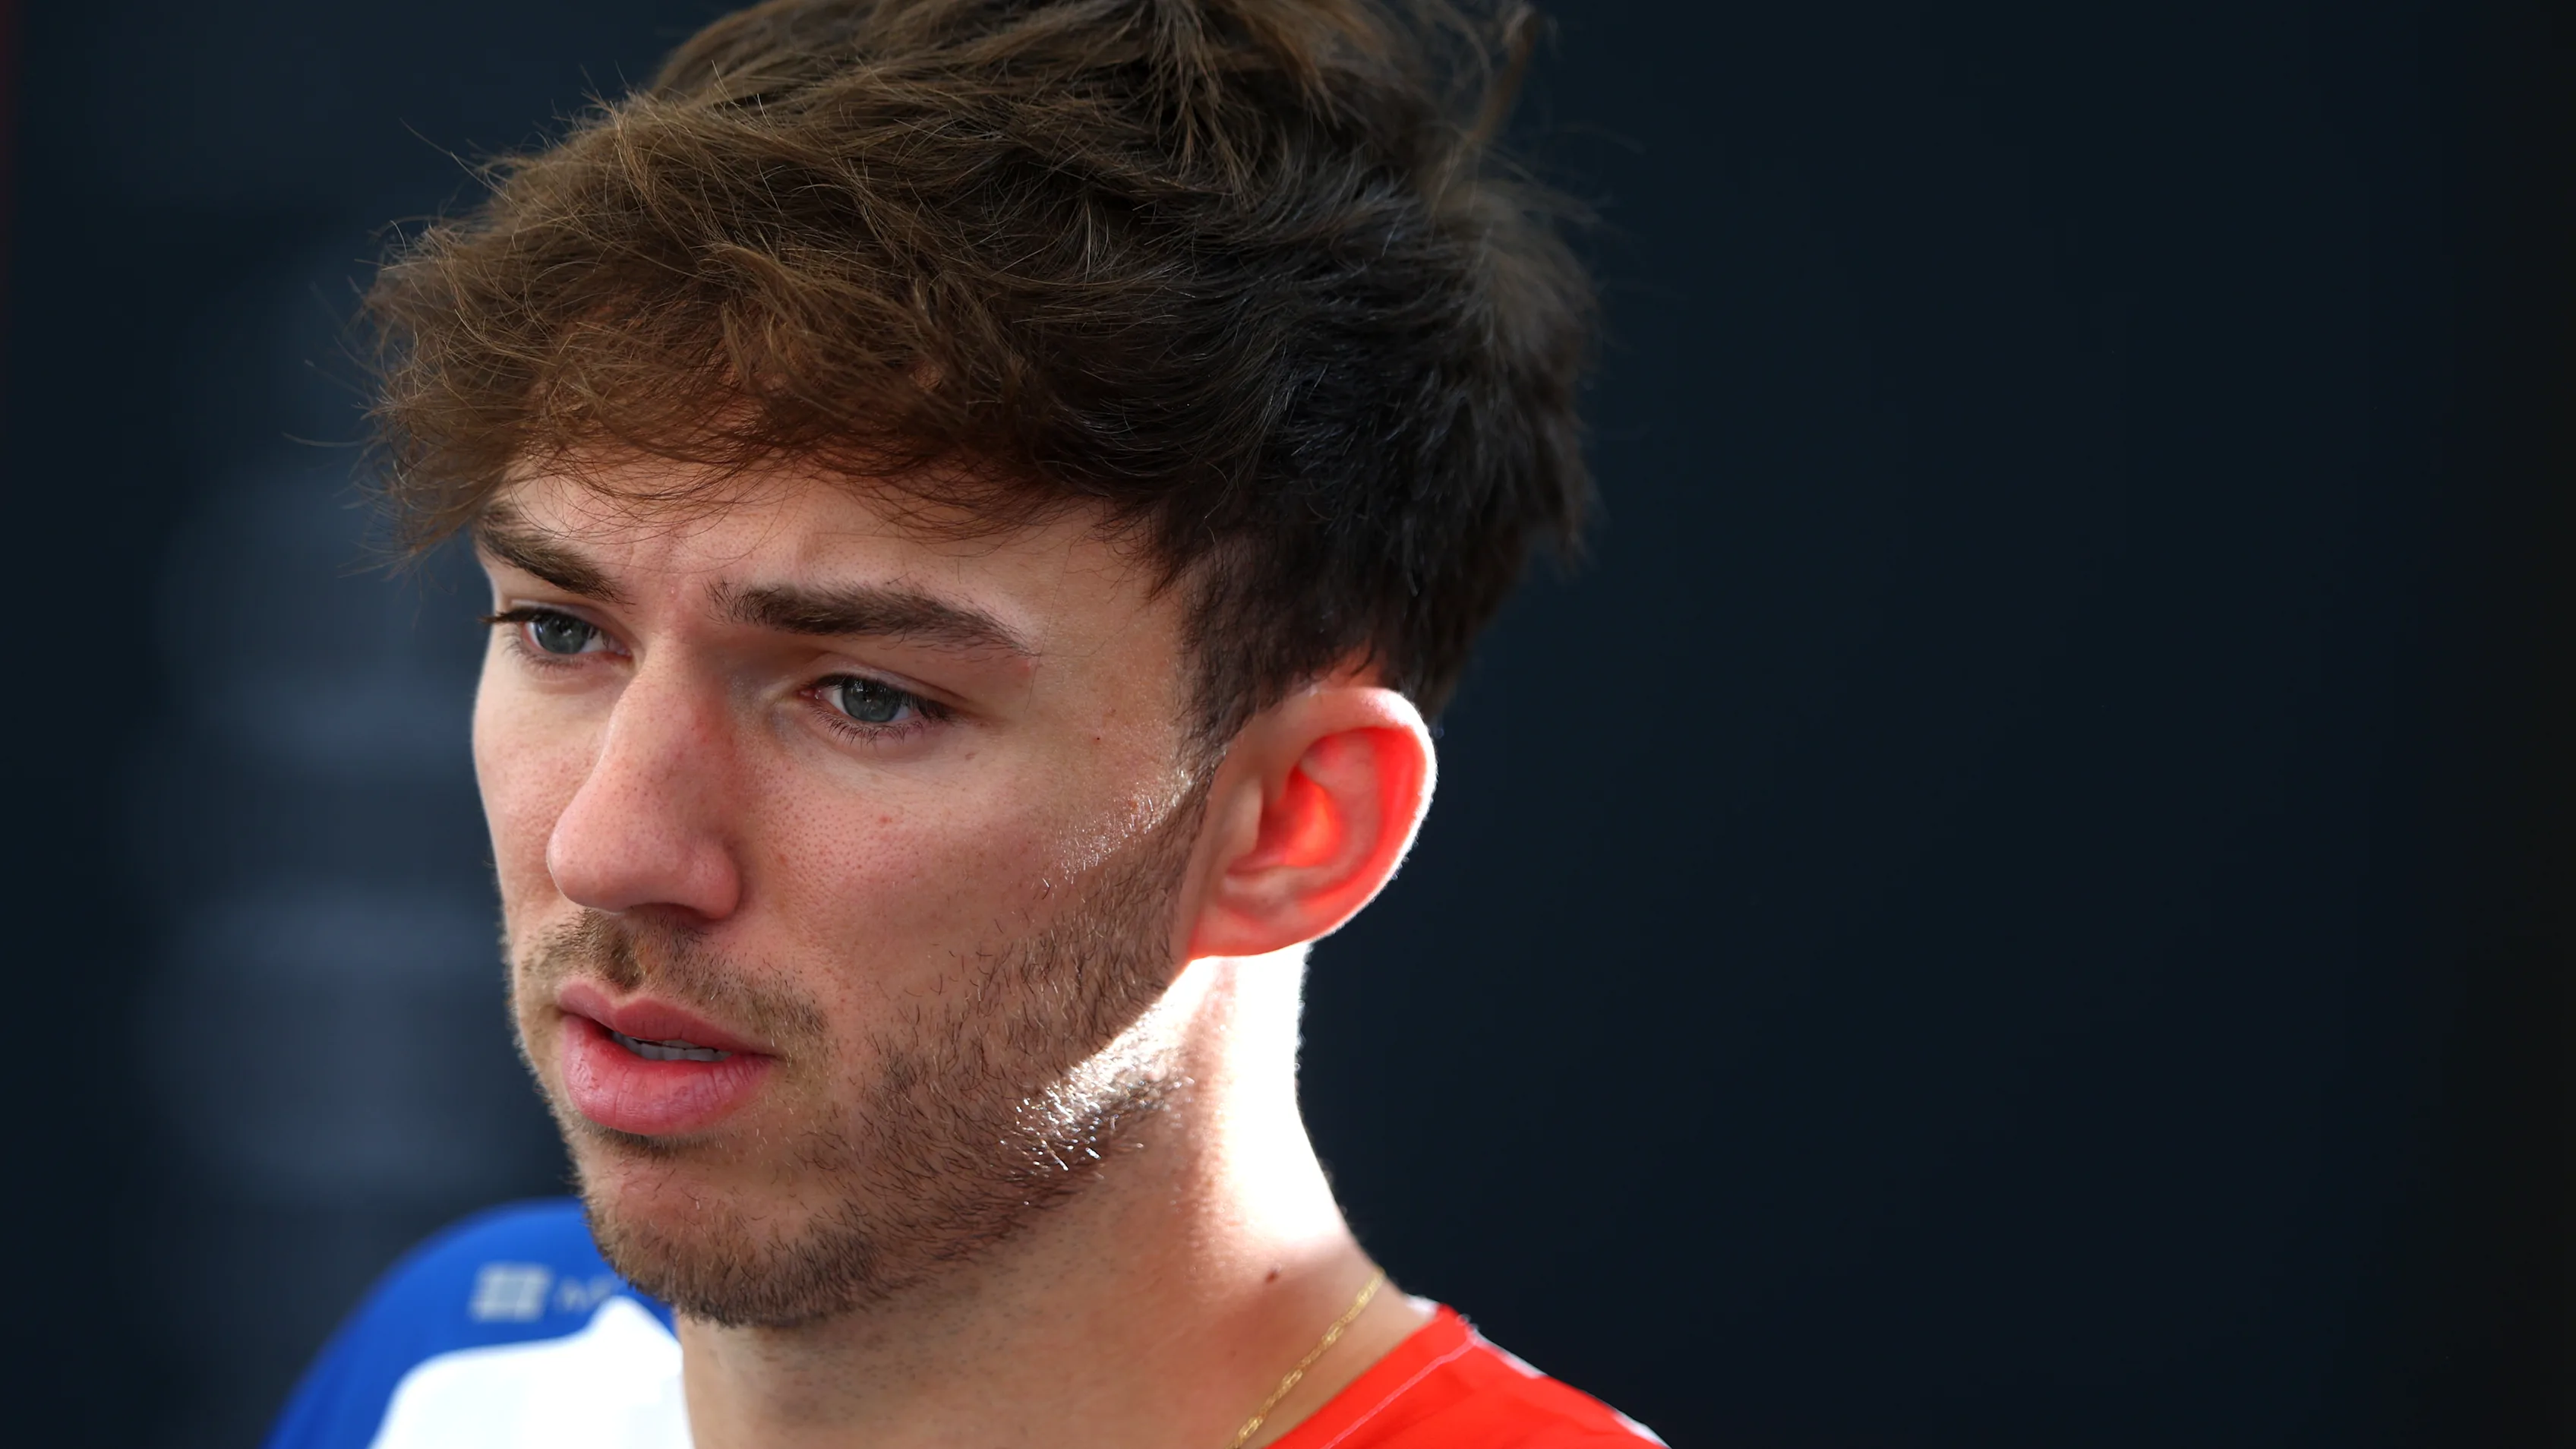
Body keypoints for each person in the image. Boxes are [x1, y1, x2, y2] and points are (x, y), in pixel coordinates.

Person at [265, 1, 1659, 1444]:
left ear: (1292, 825)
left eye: (866, 697)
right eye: (563, 630)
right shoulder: (448, 1366)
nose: (612, 846)